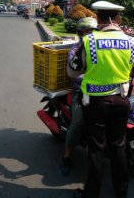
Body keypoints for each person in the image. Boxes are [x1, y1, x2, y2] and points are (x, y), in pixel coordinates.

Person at [67, 1, 134, 198]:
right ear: (118, 19)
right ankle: (121, 190)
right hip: (121, 102)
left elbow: (73, 72)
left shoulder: (88, 41)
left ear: (98, 18)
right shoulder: (132, 42)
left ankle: (91, 194)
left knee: (96, 149)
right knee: (118, 145)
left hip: (95, 104)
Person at [60, 17, 98, 176]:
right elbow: (74, 72)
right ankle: (67, 156)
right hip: (81, 91)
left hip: (100, 89)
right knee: (78, 122)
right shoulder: (76, 49)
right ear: (80, 33)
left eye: (93, 31)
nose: (90, 34)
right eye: (87, 31)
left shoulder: (99, 47)